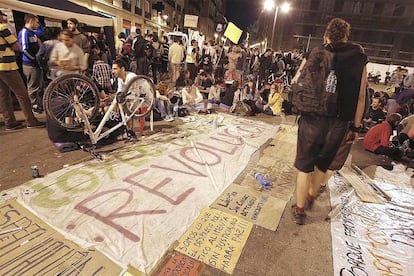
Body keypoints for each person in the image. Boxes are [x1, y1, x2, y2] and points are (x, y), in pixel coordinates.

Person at [292, 18, 367, 225]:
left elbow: (296, 81)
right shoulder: (359, 57)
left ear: (327, 35)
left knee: (304, 166)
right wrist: (356, 126)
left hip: (312, 119)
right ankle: (311, 196)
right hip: (339, 122)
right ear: (346, 36)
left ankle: (299, 210)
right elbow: (361, 96)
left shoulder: (315, 53)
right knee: (322, 164)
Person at [0, 11, 45, 130]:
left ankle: (9, 122)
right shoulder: (2, 28)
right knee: (22, 94)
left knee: (4, 95)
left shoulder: (31, 32)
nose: (4, 17)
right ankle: (31, 120)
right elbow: (17, 46)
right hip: (7, 65)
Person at [18, 13, 44, 113]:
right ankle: (34, 106)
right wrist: (34, 59)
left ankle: (38, 104)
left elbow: (41, 31)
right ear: (31, 21)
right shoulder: (24, 32)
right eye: (37, 22)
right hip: (30, 64)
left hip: (36, 64)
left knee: (38, 85)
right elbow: (24, 49)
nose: (38, 24)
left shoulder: (33, 32)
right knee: (33, 86)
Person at [112, 58, 137, 141]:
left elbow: (134, 93)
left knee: (127, 106)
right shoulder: (119, 79)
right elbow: (119, 92)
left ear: (122, 69)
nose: (113, 71)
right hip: (130, 97)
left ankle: (130, 131)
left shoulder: (131, 77)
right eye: (113, 69)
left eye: (115, 69)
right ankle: (124, 129)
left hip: (141, 97)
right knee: (115, 102)